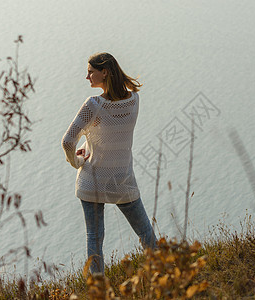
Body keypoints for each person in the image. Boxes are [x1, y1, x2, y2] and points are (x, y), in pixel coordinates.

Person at [61, 52, 157, 274]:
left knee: (95, 240)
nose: (87, 77)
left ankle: (98, 290)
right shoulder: (134, 100)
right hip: (123, 180)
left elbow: (67, 141)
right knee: (146, 234)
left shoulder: (93, 104)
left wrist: (76, 161)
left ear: (104, 72)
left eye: (90, 72)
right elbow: (112, 133)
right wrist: (91, 143)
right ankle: (166, 277)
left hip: (92, 182)